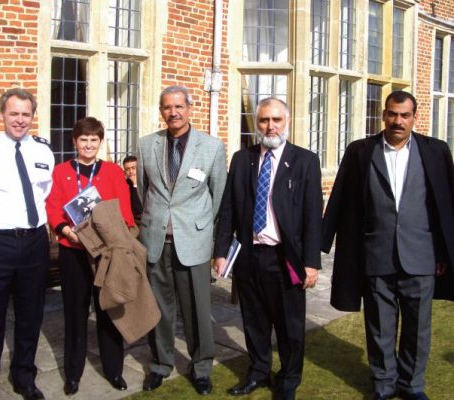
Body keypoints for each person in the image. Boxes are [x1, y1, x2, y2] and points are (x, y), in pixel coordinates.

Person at [322, 91, 454, 400]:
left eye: (405, 115)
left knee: (417, 329)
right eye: (393, 114)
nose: (398, 121)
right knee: (379, 328)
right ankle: (383, 384)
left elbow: (446, 206)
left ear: (414, 118)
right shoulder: (360, 151)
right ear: (383, 115)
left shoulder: (435, 152)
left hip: (421, 257)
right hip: (376, 255)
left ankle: (412, 385)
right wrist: (318, 245)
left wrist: (444, 252)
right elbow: (341, 200)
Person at [213, 97, 322, 400]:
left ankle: (288, 380)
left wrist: (311, 263)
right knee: (254, 321)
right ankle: (259, 371)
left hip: (285, 257)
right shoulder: (241, 158)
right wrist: (221, 251)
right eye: (264, 120)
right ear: (256, 123)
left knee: (290, 325)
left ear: (286, 121)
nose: (270, 126)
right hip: (249, 256)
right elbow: (229, 209)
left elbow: (314, 216)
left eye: (276, 120)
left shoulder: (305, 161)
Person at [0, 88, 55, 400]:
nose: (20, 120)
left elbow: (45, 192)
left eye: (25, 114)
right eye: (14, 113)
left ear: (33, 116)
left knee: (31, 317)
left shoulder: (44, 150)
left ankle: (24, 378)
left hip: (33, 243)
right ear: (3, 114)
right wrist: (0, 224)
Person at [137, 85, 227, 395]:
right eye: (167, 107)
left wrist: (203, 230)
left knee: (198, 310)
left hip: (194, 240)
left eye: (179, 106)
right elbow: (143, 190)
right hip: (156, 239)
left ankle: (201, 367)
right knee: (158, 309)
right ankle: (160, 364)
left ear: (189, 108)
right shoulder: (147, 144)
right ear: (160, 111)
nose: (173, 112)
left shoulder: (211, 146)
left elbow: (217, 196)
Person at [45, 117, 135, 396]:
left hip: (106, 253)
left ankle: (114, 370)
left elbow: (124, 208)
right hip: (74, 251)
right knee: (75, 313)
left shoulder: (111, 171)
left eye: (93, 140)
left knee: (108, 310)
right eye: (83, 140)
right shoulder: (61, 171)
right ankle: (73, 374)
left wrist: (126, 239)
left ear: (100, 142)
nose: (88, 144)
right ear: (75, 142)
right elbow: (53, 205)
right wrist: (65, 229)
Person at [122, 155, 142, 219]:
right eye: (127, 169)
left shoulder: (147, 182)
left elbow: (139, 209)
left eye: (133, 168)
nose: (131, 172)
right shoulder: (124, 184)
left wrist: (135, 184)